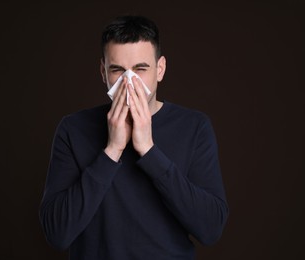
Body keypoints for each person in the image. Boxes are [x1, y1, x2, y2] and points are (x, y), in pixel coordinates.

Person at [39, 15, 229, 259]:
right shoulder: (73, 129)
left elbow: (211, 229)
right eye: (117, 70)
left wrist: (149, 151)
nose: (129, 82)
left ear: (160, 69)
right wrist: (112, 150)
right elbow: (57, 234)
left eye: (141, 69)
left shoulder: (194, 127)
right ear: (103, 71)